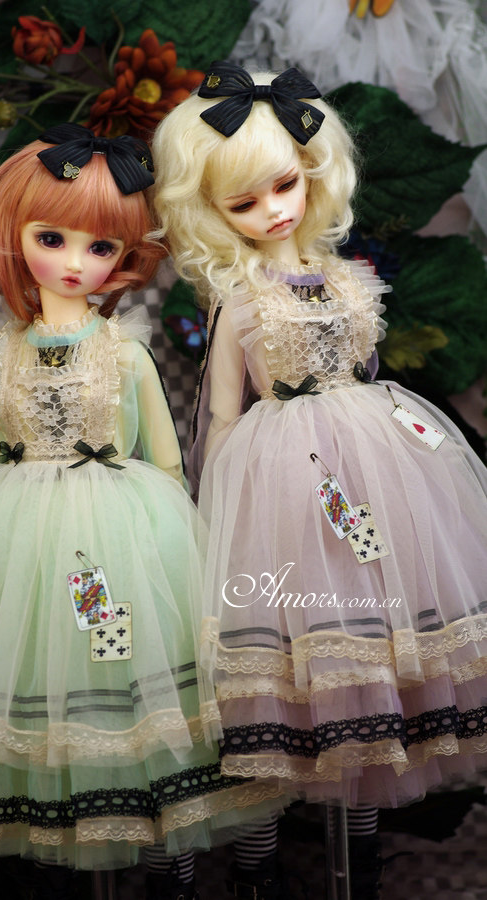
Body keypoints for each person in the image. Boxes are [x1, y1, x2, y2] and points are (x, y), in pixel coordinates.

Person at [0, 126, 283, 898]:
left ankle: (179, 867)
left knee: (153, 699)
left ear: (124, 256)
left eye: (100, 247)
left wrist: (173, 546)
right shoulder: (2, 355)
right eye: (52, 238)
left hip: (125, 536)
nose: (75, 262)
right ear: (14, 238)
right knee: (41, 698)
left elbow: (164, 461)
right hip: (18, 539)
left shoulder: (125, 352)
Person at [152, 62, 487, 899]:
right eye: (245, 202)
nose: (274, 210)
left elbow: (366, 372)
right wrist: (217, 512)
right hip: (281, 482)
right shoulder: (238, 297)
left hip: (375, 464)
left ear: (313, 173)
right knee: (292, 671)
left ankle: (359, 861)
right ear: (212, 212)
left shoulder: (347, 277)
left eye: (284, 185)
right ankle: (259, 870)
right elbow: (219, 414)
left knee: (371, 671)